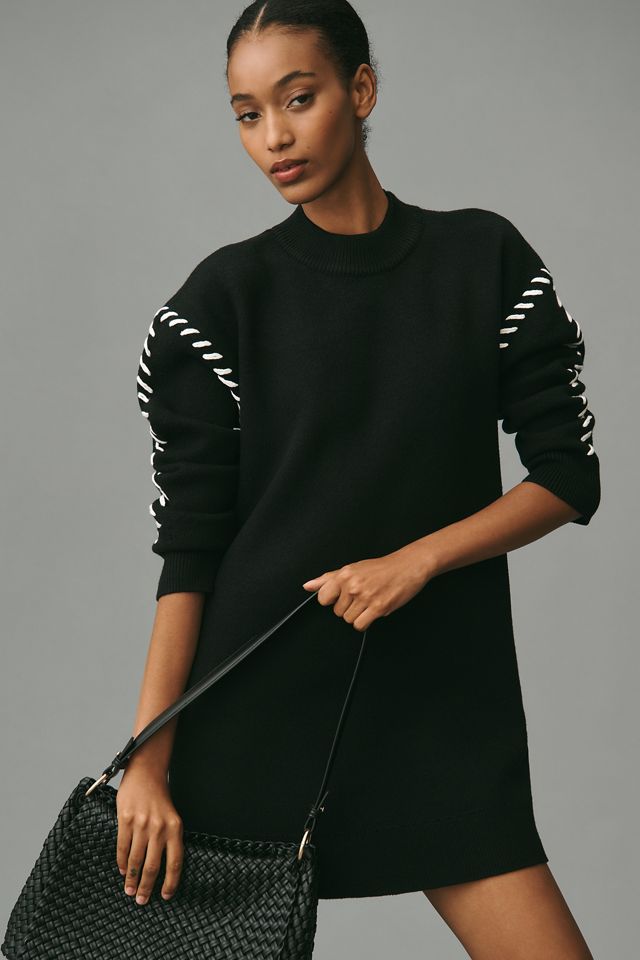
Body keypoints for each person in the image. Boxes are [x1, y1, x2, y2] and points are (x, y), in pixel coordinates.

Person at [122, 1, 601, 957]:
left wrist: (416, 561)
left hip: (440, 712)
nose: (274, 137)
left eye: (297, 99)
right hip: (253, 717)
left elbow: (567, 476)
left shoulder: (483, 260)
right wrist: (146, 760)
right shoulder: (220, 302)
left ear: (362, 89)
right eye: (248, 114)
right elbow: (191, 550)